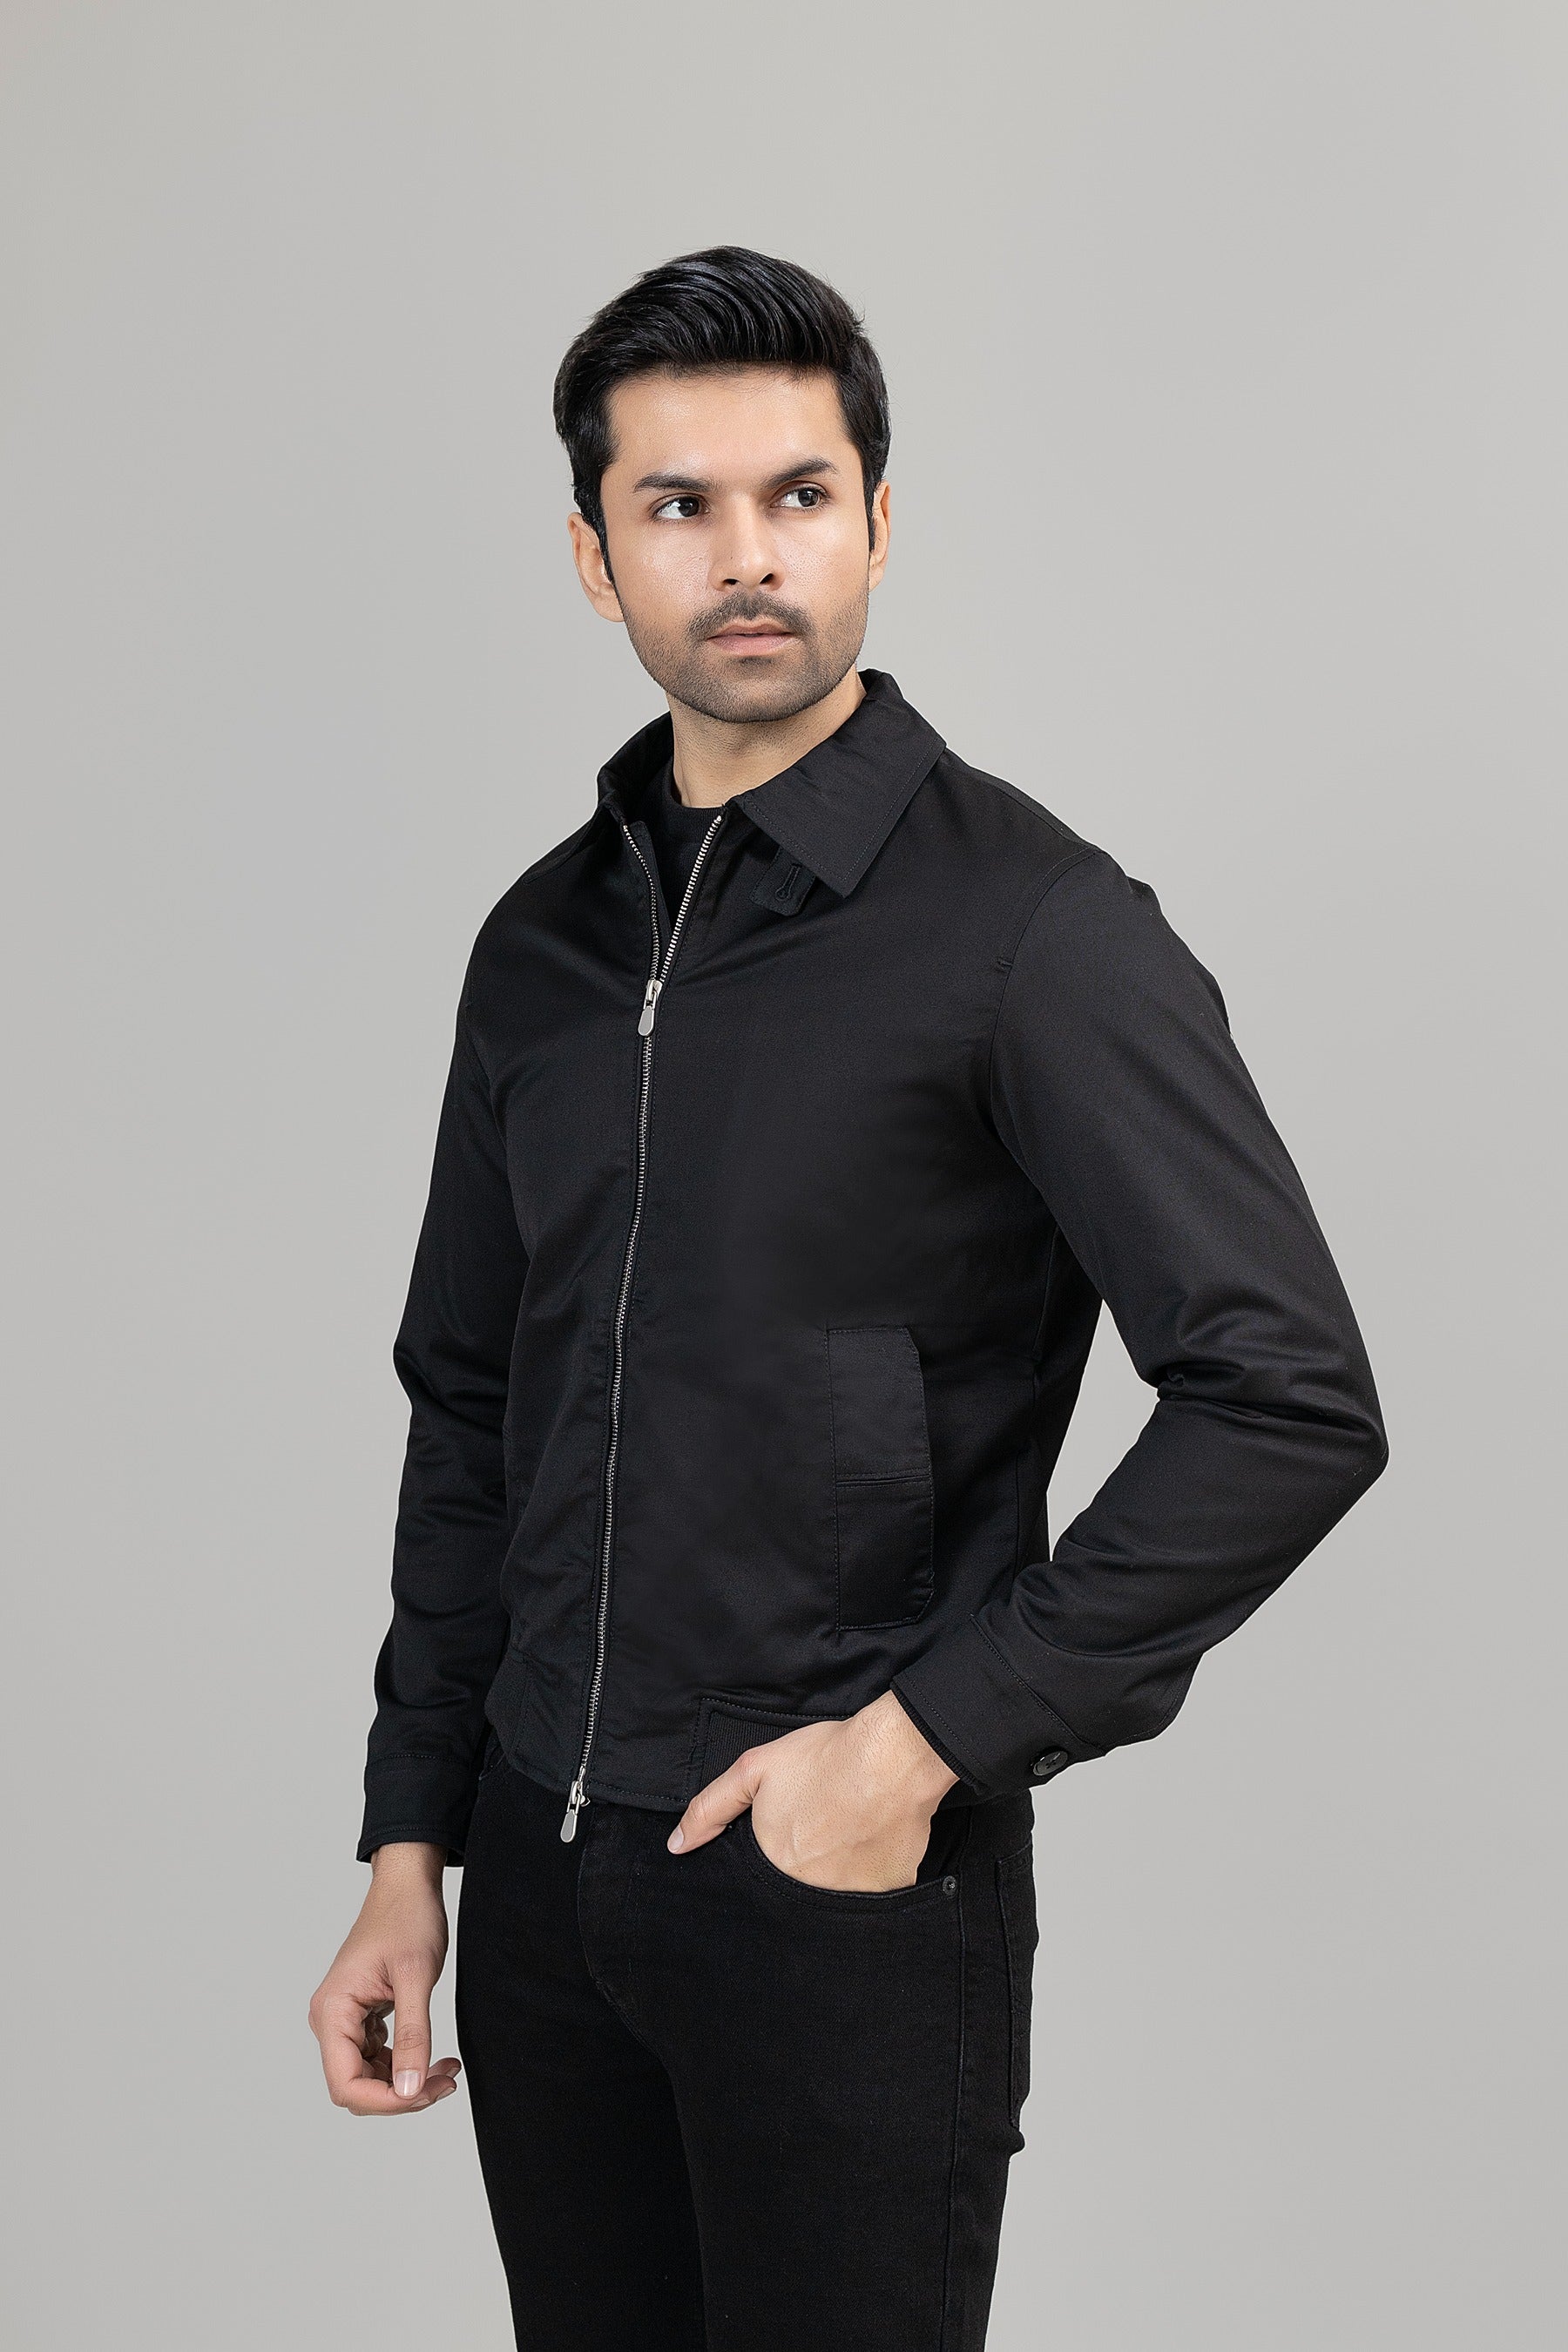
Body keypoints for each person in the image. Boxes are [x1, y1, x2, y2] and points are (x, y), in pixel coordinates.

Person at [308, 246, 1388, 2350]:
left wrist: (914, 1751)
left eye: (798, 495)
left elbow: (1288, 1397)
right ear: (594, 552)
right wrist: (411, 1839)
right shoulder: (539, 949)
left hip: (835, 1891)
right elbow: (472, 1402)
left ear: (877, 521)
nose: (747, 556)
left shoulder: (1033, 930)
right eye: (679, 505)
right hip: (537, 1882)